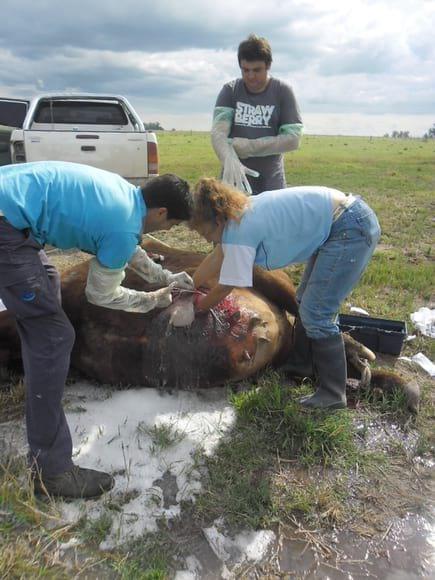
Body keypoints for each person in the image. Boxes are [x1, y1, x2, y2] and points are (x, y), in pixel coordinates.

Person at [0, 160, 194, 499]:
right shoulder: (122, 225)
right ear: (161, 212)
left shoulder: (123, 195)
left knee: (48, 287)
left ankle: (38, 367)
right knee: (55, 337)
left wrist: (166, 277)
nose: (165, 231)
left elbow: (125, 246)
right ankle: (52, 472)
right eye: (172, 224)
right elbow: (100, 294)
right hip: (7, 229)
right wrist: (155, 300)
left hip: (14, 218)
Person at [189, 178, 381, 410]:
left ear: (218, 220)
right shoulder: (236, 215)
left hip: (348, 228)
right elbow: (216, 257)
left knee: (317, 313)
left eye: (205, 233)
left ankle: (333, 393)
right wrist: (189, 284)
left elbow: (225, 286)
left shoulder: (240, 229)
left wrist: (196, 307)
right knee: (303, 301)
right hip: (342, 220)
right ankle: (301, 365)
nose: (206, 239)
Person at [211, 34, 304, 195]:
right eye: (245, 70)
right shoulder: (230, 91)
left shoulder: (283, 91)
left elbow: (293, 139)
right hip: (235, 179)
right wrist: (229, 160)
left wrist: (249, 147)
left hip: (271, 182)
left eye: (257, 70)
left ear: (268, 65)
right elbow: (218, 134)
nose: (251, 76)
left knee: (273, 220)